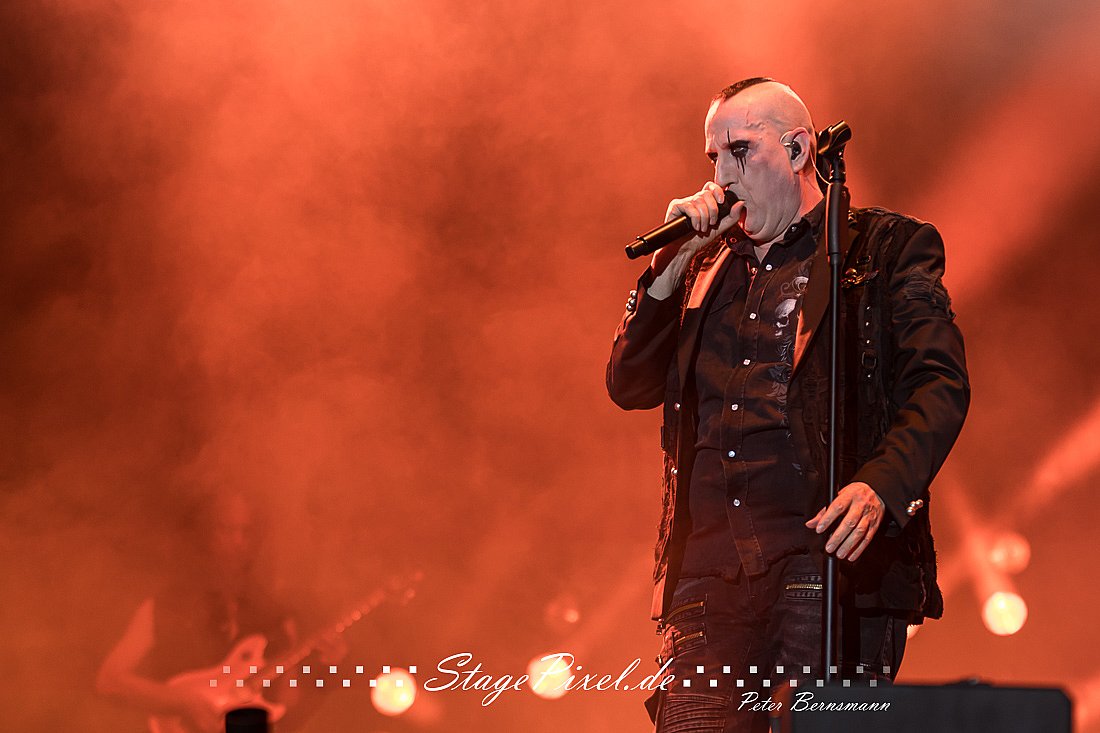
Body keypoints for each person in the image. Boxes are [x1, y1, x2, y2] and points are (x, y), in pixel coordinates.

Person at [606, 78, 970, 732]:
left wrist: (883, 484)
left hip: (823, 563)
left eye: (740, 151)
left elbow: (938, 383)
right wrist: (665, 268)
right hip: (706, 582)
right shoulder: (700, 268)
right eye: (713, 157)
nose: (721, 176)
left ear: (799, 150)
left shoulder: (881, 250)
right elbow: (627, 384)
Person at [96, 491, 347, 733]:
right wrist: (182, 701)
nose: (238, 542)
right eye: (226, 530)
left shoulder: (275, 616)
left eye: (246, 532)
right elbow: (110, 680)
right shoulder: (165, 606)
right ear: (204, 536)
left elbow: (287, 704)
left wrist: (326, 667)